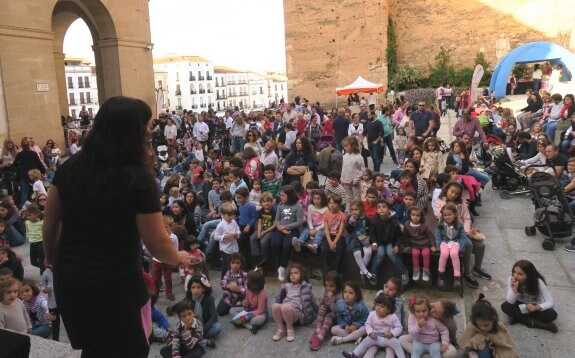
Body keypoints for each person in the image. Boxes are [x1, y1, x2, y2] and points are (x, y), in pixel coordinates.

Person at [42, 96, 190, 357]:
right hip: (115, 284)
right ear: (131, 132)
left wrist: (53, 257)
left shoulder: (68, 169)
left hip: (72, 280)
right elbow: (156, 242)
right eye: (143, 127)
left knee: (94, 350)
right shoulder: (137, 176)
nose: (147, 132)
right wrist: (178, 258)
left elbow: (51, 221)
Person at [501, 260, 558, 333]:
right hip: (521, 306)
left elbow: (550, 302)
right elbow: (510, 302)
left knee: (552, 314)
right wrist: (514, 289)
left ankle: (516, 317)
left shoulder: (538, 282)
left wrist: (536, 307)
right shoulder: (511, 279)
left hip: (534, 308)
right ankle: (537, 324)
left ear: (529, 275)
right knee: (505, 306)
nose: (515, 276)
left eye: (520, 274)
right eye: (514, 272)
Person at [271, 263, 318, 342]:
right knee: (275, 306)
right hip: (284, 310)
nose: (293, 275)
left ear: (301, 275)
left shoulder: (305, 287)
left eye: (296, 273)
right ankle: (281, 329)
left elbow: (313, 300)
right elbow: (279, 298)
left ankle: (290, 330)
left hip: (296, 313)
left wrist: (318, 311)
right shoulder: (286, 286)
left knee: (285, 307)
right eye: (291, 273)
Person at [370, 199, 409, 286]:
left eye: (384, 207)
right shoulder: (374, 220)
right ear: (376, 210)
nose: (381, 209)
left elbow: (399, 235)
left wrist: (397, 245)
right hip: (379, 242)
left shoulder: (394, 221)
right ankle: (373, 273)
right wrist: (374, 243)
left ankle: (403, 272)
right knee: (380, 254)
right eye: (379, 207)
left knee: (391, 253)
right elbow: (372, 233)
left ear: (389, 209)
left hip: (390, 242)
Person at [271, 185, 304, 281]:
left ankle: (283, 266)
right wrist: (280, 228)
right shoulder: (280, 205)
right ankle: (278, 266)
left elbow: (299, 222)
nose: (280, 197)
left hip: (292, 230)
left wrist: (285, 227)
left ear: (289, 196)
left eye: (283, 196)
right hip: (280, 229)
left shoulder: (298, 206)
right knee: (275, 243)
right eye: (280, 195)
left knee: (287, 245)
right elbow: (277, 220)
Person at [435, 204, 466, 289]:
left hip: (455, 242)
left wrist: (461, 247)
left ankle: (457, 277)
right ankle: (440, 275)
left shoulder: (459, 225)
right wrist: (438, 245)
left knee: (454, 254)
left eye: (449, 214)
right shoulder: (441, 225)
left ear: (455, 214)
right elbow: (438, 236)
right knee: (444, 254)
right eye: (445, 215)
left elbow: (463, 237)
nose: (447, 217)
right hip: (444, 242)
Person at [229, 268, 268, 334]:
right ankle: (249, 326)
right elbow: (246, 301)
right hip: (249, 310)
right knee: (231, 310)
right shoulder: (248, 290)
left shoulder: (262, 294)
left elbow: (260, 310)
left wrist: (248, 315)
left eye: (247, 279)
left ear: (254, 283)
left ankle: (241, 322)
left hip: (260, 313)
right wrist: (245, 303)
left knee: (255, 321)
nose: (246, 281)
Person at [330, 281, 369, 345]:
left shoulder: (361, 306)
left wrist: (355, 325)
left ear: (356, 296)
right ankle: (355, 338)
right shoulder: (340, 304)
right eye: (345, 292)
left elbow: (366, 320)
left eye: (350, 293)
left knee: (365, 329)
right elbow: (340, 318)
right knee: (333, 329)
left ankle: (343, 340)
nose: (347, 295)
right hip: (347, 328)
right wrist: (345, 325)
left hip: (358, 328)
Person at [346, 199, 376, 285]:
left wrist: (369, 238)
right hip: (354, 239)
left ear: (361, 209)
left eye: (356, 209)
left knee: (368, 252)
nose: (354, 212)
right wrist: (350, 223)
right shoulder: (350, 218)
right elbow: (348, 230)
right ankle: (367, 273)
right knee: (357, 254)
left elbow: (370, 230)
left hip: (364, 238)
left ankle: (362, 271)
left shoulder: (365, 218)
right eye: (352, 210)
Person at [310, 271, 341, 350]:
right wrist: (321, 302)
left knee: (328, 315)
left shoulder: (340, 294)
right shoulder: (325, 289)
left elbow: (336, 310)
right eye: (326, 285)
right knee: (322, 308)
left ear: (337, 285)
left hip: (337, 315)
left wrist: (331, 299)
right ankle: (318, 330)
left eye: (331, 286)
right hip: (328, 308)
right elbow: (323, 303)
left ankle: (321, 336)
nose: (328, 288)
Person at [402, 206, 435, 282]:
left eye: (418, 216)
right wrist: (406, 245)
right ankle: (416, 270)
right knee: (415, 253)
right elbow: (405, 236)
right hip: (414, 243)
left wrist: (433, 245)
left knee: (426, 253)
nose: (415, 217)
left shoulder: (424, 225)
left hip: (425, 243)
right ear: (410, 215)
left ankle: (426, 271)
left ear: (421, 216)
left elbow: (430, 235)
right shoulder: (407, 224)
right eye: (413, 215)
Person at [12, 137, 45, 207]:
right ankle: (39, 204)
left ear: (22, 146)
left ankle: (24, 207)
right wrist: (43, 171)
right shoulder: (33, 153)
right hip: (33, 175)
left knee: (24, 191)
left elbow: (14, 165)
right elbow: (39, 163)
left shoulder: (19, 154)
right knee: (38, 190)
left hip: (23, 175)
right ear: (29, 146)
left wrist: (20, 166)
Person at [341, 136, 365, 212]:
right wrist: (342, 178)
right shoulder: (344, 156)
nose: (345, 148)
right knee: (348, 197)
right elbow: (343, 168)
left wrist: (357, 179)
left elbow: (363, 170)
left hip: (354, 182)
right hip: (346, 181)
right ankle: (348, 211)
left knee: (356, 198)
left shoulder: (358, 157)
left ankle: (358, 211)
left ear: (353, 145)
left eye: (346, 146)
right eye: (344, 146)